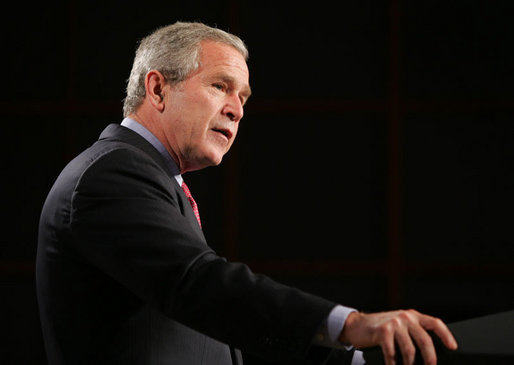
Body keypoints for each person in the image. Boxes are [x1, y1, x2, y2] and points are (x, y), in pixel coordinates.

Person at [36, 22, 457, 365]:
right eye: (221, 86)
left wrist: (349, 358)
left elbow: (213, 322)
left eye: (243, 97)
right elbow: (197, 283)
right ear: (158, 89)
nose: (237, 109)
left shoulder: (153, 180)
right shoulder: (111, 173)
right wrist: (346, 325)